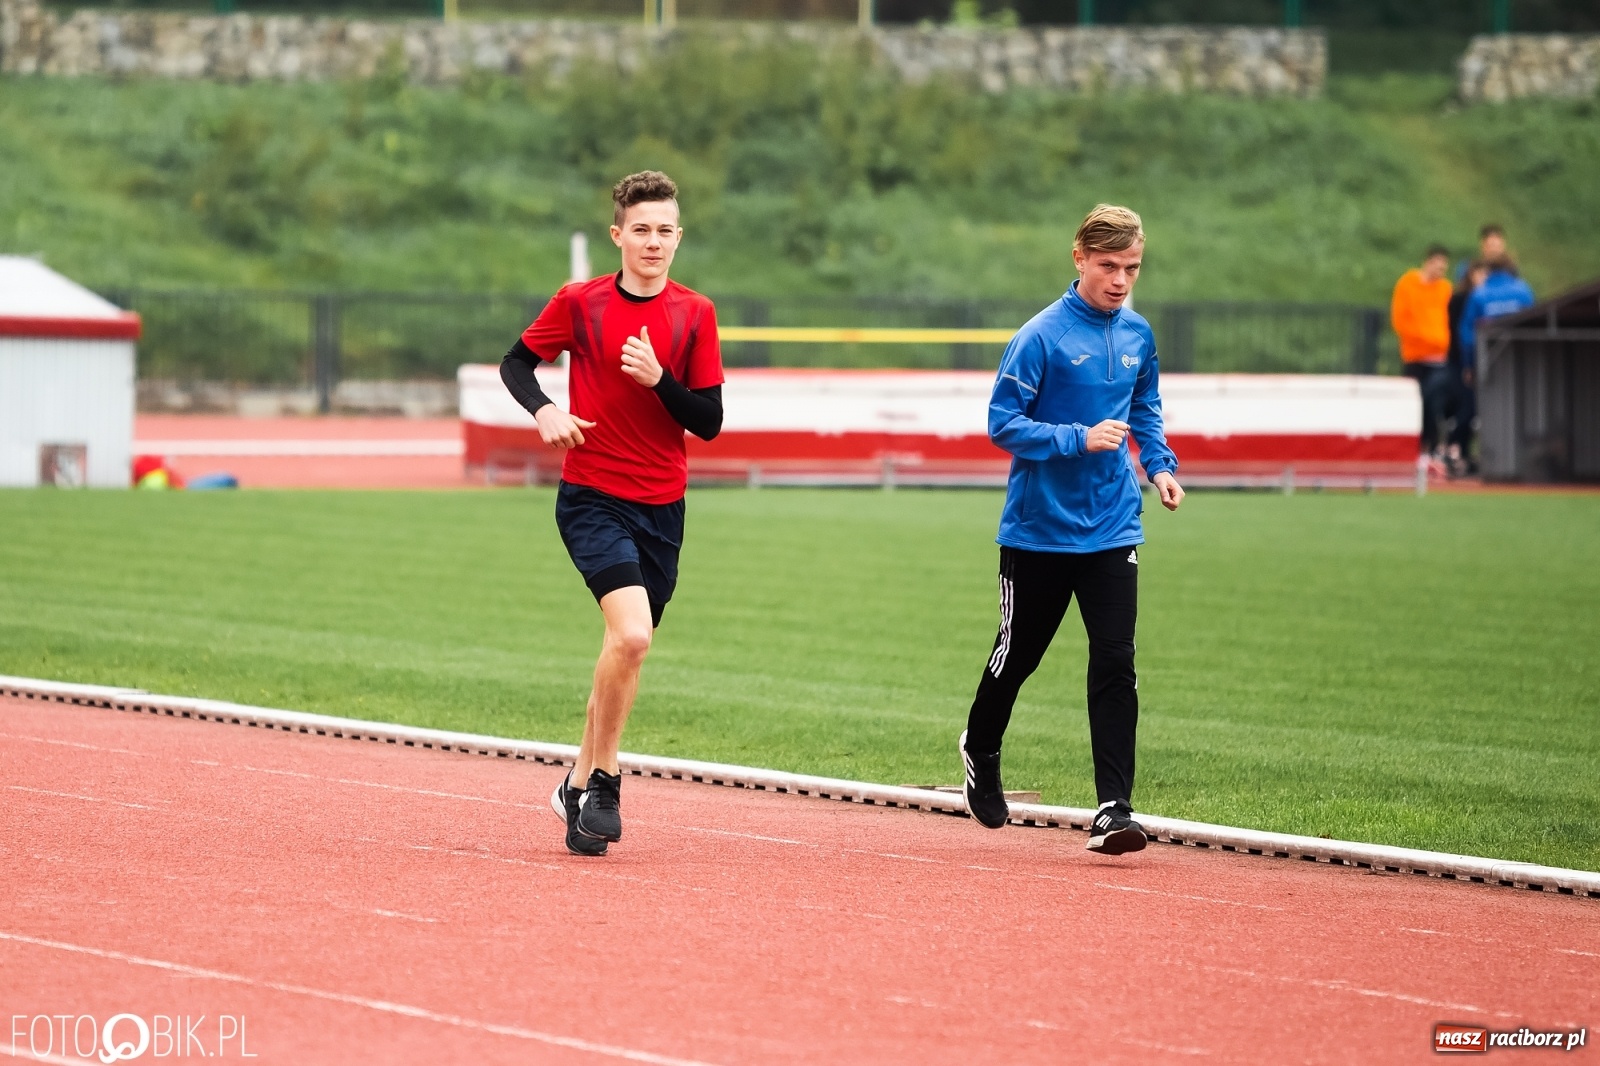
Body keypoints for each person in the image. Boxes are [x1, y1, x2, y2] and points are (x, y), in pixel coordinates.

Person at [499, 171, 725, 856]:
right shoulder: (580, 303)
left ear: (678, 238)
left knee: (620, 652)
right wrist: (545, 412)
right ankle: (606, 780)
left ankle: (573, 784)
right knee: (632, 639)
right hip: (593, 496)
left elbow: (709, 422)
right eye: (642, 230)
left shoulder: (695, 314)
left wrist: (661, 381)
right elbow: (517, 364)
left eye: (665, 231)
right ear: (618, 235)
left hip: (664, 506)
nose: (653, 242)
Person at [958, 204, 1183, 856]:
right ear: (1080, 258)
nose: (1120, 280)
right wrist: (1076, 439)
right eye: (1109, 266)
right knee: (1017, 657)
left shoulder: (1139, 334)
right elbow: (1002, 423)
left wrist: (1161, 467)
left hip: (1114, 525)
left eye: (1132, 268)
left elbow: (1144, 408)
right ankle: (981, 743)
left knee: (1116, 661)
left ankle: (1115, 808)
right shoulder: (1041, 337)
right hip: (1038, 532)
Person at [1390, 246, 1455, 460]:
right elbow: (1400, 319)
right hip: (1416, 356)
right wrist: (1426, 339)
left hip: (1440, 358)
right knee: (1416, 402)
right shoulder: (1408, 284)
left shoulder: (1445, 289)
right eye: (1438, 264)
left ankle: (1433, 445)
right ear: (1428, 261)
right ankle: (1418, 445)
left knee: (1433, 401)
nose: (1441, 270)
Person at [1444, 260, 1489, 475]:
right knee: (1467, 408)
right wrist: (1466, 364)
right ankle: (1455, 448)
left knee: (1476, 410)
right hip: (1462, 364)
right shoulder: (1461, 300)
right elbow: (1460, 335)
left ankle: (1465, 452)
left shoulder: (1484, 298)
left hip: (1480, 362)